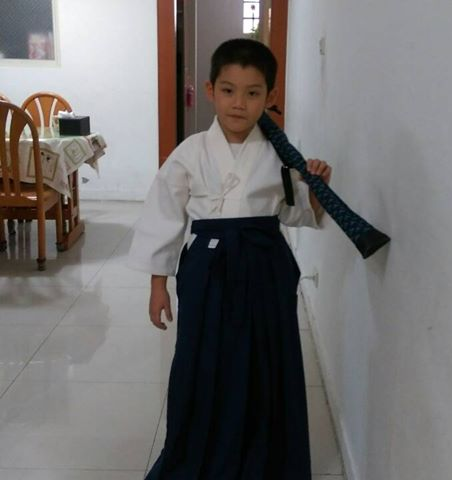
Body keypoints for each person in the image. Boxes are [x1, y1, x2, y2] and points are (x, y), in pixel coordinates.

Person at [128, 38, 332, 479]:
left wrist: (316, 191)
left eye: (252, 92)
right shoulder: (190, 152)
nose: (239, 103)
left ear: (270, 96)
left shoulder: (281, 154)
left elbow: (295, 213)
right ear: (210, 90)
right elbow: (163, 216)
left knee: (265, 360)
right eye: (228, 90)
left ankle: (264, 457)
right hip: (207, 268)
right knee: (202, 359)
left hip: (265, 264)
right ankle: (200, 454)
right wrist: (158, 284)